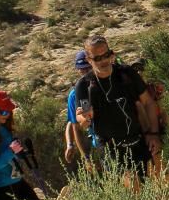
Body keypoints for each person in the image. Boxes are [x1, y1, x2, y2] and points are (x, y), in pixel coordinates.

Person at [74, 35, 161, 179]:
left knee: (153, 187)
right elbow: (81, 121)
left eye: (106, 55)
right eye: (97, 58)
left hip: (138, 142)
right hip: (110, 149)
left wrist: (154, 134)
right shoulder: (84, 85)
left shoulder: (126, 74)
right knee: (131, 188)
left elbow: (148, 102)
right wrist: (85, 118)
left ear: (111, 54)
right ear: (89, 60)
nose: (103, 61)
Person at [64, 50, 93, 165]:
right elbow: (73, 124)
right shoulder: (74, 95)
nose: (85, 72)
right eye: (82, 69)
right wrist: (85, 158)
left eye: (88, 68)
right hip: (98, 140)